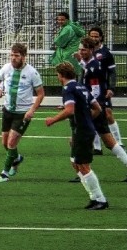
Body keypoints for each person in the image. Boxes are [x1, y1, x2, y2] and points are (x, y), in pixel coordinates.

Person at [44, 61, 108, 210]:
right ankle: (94, 197)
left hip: (83, 131)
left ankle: (101, 199)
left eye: (57, 75)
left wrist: (52, 120)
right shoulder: (81, 86)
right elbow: (97, 108)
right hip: (83, 130)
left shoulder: (68, 88)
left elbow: (70, 110)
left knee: (84, 166)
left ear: (61, 75)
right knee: (75, 162)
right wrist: (85, 119)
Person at [0, 42, 45, 182]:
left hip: (22, 113)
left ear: (24, 57)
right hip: (8, 110)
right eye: (12, 55)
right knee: (4, 142)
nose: (13, 58)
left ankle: (5, 173)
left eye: (16, 55)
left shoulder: (32, 73)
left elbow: (41, 94)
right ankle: (17, 158)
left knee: (11, 143)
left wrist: (32, 110)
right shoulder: (6, 68)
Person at [76, 36, 127, 178]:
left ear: (91, 50)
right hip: (97, 108)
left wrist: (93, 109)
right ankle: (82, 169)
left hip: (95, 109)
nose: (81, 52)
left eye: (84, 50)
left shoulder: (93, 68)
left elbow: (95, 91)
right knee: (110, 142)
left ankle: (82, 171)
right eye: (80, 49)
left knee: (77, 139)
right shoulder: (90, 65)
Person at [87, 25, 122, 149]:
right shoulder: (87, 51)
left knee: (107, 113)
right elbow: (82, 71)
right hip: (90, 89)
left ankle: (118, 142)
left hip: (103, 89)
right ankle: (97, 147)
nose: (94, 38)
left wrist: (111, 88)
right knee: (92, 114)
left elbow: (112, 72)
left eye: (96, 36)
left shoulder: (106, 53)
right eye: (91, 36)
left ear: (101, 37)